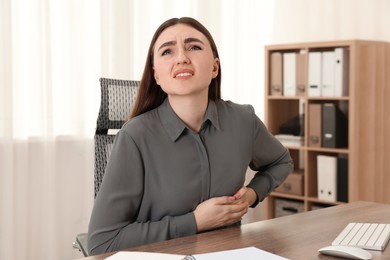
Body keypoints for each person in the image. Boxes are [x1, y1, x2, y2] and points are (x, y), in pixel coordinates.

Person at [88, 17, 293, 255]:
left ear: (215, 67)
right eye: (167, 51)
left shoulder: (243, 120)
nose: (182, 58)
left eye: (194, 47)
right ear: (156, 75)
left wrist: (252, 194)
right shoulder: (134, 136)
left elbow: (281, 162)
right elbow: (102, 241)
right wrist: (195, 221)